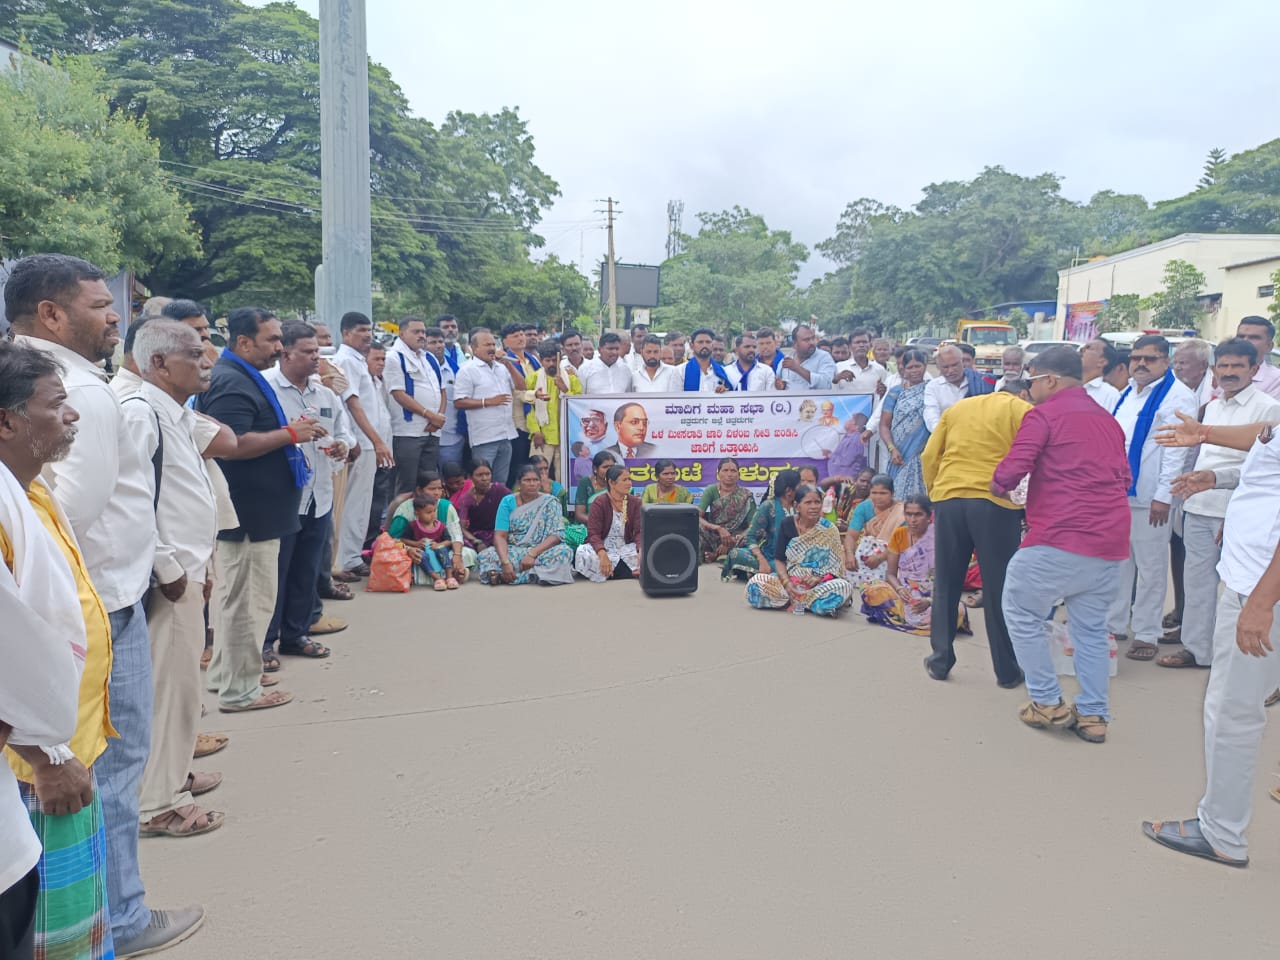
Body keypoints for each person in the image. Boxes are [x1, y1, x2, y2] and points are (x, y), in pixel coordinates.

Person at [6, 255, 204, 954]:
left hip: (89, 607)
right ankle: (118, 916)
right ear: (52, 314)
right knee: (103, 775)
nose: (116, 314)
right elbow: (69, 517)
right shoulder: (77, 392)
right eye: (100, 305)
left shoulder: (53, 379)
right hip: (96, 610)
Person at [0, 342, 115, 960]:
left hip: (59, 749)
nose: (72, 417)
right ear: (6, 419)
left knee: (66, 926)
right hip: (34, 767)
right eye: (57, 405)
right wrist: (45, 755)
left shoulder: (27, 487)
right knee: (46, 934)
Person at [1142, 408, 1280, 865]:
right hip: (1255, 580)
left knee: (1233, 712)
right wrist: (1216, 474)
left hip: (1260, 588)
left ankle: (1222, 833)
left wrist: (1260, 603)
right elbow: (1266, 457)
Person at [992, 346, 1132, 743]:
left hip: (1058, 536)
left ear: (1049, 379)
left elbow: (1015, 466)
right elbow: (1124, 478)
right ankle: (1093, 716)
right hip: (1108, 541)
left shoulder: (1044, 415)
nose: (1030, 389)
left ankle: (1047, 701)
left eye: (1032, 380)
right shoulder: (1108, 420)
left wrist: (995, 483)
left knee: (1020, 612)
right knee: (1090, 630)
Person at [122, 323, 226, 839]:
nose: (206, 361)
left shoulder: (176, 413)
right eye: (193, 354)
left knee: (183, 688)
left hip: (187, 571)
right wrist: (171, 569)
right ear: (159, 364)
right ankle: (159, 803)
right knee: (171, 690)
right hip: (169, 580)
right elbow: (132, 501)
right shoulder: (142, 414)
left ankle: (171, 777)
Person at [196, 306, 313, 715]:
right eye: (272, 340)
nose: (279, 348)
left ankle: (228, 675)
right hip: (251, 516)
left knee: (237, 601)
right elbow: (231, 445)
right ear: (244, 342)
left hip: (254, 513)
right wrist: (290, 434)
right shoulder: (231, 382)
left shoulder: (237, 376)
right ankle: (240, 691)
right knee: (248, 604)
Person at [1156, 339, 1280, 669]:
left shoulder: (1268, 409)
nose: (1228, 372)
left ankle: (1242, 655)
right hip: (1199, 506)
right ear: (1214, 370)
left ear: (1254, 370)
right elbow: (1198, 451)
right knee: (1197, 584)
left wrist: (1215, 476)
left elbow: (1261, 472)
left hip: (1237, 513)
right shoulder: (1211, 406)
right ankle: (1198, 651)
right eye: (1223, 366)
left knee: (1240, 587)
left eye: (1237, 366)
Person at [920, 385, 1032, 686]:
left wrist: (936, 492)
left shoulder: (957, 409)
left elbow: (930, 455)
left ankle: (940, 660)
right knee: (998, 587)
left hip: (949, 496)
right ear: (1021, 393)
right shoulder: (1022, 410)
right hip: (995, 502)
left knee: (946, 582)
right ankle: (1007, 671)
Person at [262, 322, 353, 670]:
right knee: (277, 572)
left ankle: (296, 634)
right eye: (309, 352)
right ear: (285, 353)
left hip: (319, 495)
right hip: (283, 496)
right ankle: (266, 642)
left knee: (306, 568)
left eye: (318, 352)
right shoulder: (268, 390)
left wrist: (342, 447)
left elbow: (345, 436)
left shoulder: (324, 395)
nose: (317, 358)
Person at [1107, 334, 1199, 661]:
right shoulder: (1129, 393)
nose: (1141, 364)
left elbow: (1177, 451)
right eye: (1136, 358)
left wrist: (1164, 495)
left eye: (1150, 358)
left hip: (1151, 496)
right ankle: (1115, 622)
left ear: (1166, 362)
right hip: (1119, 492)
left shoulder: (1178, 396)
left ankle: (1147, 632)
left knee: (1151, 567)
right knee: (1117, 562)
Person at [332, 312, 393, 580]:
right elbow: (353, 404)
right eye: (360, 330)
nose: (367, 335)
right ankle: (344, 560)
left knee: (363, 502)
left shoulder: (358, 361)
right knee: (352, 503)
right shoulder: (345, 360)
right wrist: (376, 441)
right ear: (346, 333)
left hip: (370, 442)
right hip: (360, 442)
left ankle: (353, 556)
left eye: (369, 330)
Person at [1163, 338, 1216, 640]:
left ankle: (1197, 627)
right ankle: (1183, 612)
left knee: (1201, 564)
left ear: (1203, 367)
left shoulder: (1212, 396)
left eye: (1183, 362)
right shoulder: (1177, 391)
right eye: (1176, 361)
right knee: (1179, 550)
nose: (1177, 366)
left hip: (1208, 485)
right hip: (1181, 481)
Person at [860, 495, 967, 636]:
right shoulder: (899, 535)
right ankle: (915, 619)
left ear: (930, 515)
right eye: (908, 514)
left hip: (933, 593)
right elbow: (890, 574)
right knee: (870, 590)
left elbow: (949, 579)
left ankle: (904, 617)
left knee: (956, 610)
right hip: (905, 591)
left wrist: (929, 600)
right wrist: (899, 589)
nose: (912, 520)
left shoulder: (940, 537)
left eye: (918, 515)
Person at [746, 483, 852, 616]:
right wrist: (787, 583)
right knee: (756, 583)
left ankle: (796, 601)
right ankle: (807, 603)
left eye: (817, 502)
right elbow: (779, 559)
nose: (813, 507)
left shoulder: (829, 529)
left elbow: (837, 568)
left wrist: (818, 578)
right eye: (808, 502)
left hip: (819, 584)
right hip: (790, 581)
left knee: (843, 587)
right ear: (797, 506)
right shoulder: (787, 524)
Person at [477, 463, 574, 585]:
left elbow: (556, 536)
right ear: (519, 484)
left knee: (564, 551)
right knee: (487, 555)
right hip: (515, 549)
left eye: (535, 480)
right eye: (527, 480)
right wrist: (505, 562)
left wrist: (532, 554)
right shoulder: (507, 501)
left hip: (541, 550)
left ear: (540, 483)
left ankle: (509, 576)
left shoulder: (550, 502)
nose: (532, 484)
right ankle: (535, 574)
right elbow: (500, 535)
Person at [454, 328, 524, 487]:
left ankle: (498, 511)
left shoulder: (501, 368)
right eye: (487, 344)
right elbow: (459, 402)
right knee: (483, 484)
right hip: (484, 437)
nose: (492, 348)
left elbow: (521, 386)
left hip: (506, 435)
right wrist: (488, 402)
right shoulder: (467, 370)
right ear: (474, 347)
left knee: (501, 483)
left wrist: (508, 364)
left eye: (493, 344)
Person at [384, 317, 445, 494]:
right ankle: (400, 521)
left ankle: (423, 521)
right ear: (402, 334)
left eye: (423, 332)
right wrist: (429, 414)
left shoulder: (429, 358)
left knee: (428, 483)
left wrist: (438, 417)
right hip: (407, 432)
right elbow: (398, 394)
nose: (421, 335)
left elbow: (441, 390)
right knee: (406, 484)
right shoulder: (393, 358)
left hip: (433, 430)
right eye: (416, 332)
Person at [385, 470, 476, 585]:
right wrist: (409, 550)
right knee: (408, 559)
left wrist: (457, 556)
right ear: (419, 490)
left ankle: (449, 575)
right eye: (432, 489)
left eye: (440, 488)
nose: (437, 493)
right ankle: (451, 576)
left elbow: (456, 535)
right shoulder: (405, 509)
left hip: (441, 550)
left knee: (467, 554)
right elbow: (392, 540)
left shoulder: (446, 506)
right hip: (415, 551)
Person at [723, 469, 801, 581]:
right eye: (799, 486)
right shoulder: (768, 506)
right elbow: (750, 537)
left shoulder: (800, 505)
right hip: (773, 556)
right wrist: (762, 560)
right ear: (789, 490)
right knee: (735, 554)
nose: (802, 489)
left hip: (799, 556)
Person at [574, 464, 643, 581]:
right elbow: (593, 533)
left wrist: (641, 552)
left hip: (626, 547)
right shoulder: (600, 502)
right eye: (625, 480)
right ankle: (623, 571)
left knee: (648, 554)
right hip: (602, 546)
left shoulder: (635, 502)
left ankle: (613, 571)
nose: (629, 483)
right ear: (611, 483)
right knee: (583, 553)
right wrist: (602, 554)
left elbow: (639, 532)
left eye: (630, 479)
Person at [880, 348, 931, 499]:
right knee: (898, 497)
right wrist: (892, 448)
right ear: (903, 369)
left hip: (924, 453)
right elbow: (884, 425)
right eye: (910, 367)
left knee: (922, 499)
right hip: (899, 454)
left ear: (925, 366)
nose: (914, 371)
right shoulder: (895, 392)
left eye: (918, 366)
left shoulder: (932, 389)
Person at [361, 342, 397, 555]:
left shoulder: (379, 383)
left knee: (378, 502)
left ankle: (371, 543)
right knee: (367, 503)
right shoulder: (361, 385)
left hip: (384, 451)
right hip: (367, 451)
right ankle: (363, 546)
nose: (381, 363)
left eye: (383, 359)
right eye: (376, 359)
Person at [526, 340, 581, 474]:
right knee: (537, 474)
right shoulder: (533, 378)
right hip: (542, 436)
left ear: (559, 360)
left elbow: (579, 405)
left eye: (553, 360)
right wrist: (536, 432)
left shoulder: (571, 379)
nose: (551, 364)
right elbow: (528, 407)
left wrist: (564, 388)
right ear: (540, 360)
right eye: (547, 360)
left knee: (563, 475)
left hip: (566, 436)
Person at [843, 473, 905, 587]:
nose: (878, 497)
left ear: (892, 494)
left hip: (893, 554)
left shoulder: (901, 512)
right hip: (868, 553)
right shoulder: (863, 507)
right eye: (874, 493)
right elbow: (851, 536)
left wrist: (879, 558)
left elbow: (901, 542)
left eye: (883, 493)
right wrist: (850, 554)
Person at [500, 322, 541, 485]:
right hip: (518, 421)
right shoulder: (503, 362)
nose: (521, 338)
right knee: (518, 465)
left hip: (537, 420)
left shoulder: (533, 360)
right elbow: (518, 390)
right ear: (505, 342)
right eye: (515, 336)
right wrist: (535, 395)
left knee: (534, 465)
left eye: (522, 334)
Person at [697, 457, 757, 563]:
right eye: (725, 470)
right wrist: (718, 528)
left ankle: (717, 554)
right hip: (714, 534)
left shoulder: (746, 495)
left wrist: (732, 539)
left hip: (735, 537)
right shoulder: (711, 490)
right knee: (695, 526)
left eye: (733, 471)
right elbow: (698, 516)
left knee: (758, 533)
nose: (729, 474)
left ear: (738, 474)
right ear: (719, 473)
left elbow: (753, 525)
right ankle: (716, 554)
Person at [424, 325, 465, 477]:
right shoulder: (421, 369)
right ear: (424, 345)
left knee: (451, 479)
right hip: (425, 435)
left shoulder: (456, 370)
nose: (438, 346)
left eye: (440, 342)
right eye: (432, 342)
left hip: (451, 438)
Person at [924, 345, 985, 432]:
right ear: (939, 368)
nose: (951, 370)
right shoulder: (933, 387)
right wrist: (942, 433)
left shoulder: (979, 382)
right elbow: (931, 414)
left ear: (961, 362)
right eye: (945, 367)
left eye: (954, 365)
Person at [454, 461, 511, 552]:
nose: (484, 478)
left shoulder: (500, 490)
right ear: (470, 477)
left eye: (487, 474)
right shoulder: (466, 499)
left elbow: (515, 507)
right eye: (479, 475)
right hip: (478, 536)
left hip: (500, 533)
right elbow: (462, 528)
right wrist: (476, 541)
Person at [1234, 315, 1280, 399]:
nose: (1244, 342)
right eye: (1241, 336)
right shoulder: (1218, 372)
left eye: (1254, 337)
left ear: (1269, 346)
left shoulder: (1276, 380)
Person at [777, 324, 835, 391]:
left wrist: (798, 368)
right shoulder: (786, 360)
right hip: (790, 401)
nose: (812, 342)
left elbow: (826, 385)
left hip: (816, 401)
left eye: (813, 338)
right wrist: (781, 385)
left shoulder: (824, 357)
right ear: (794, 344)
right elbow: (779, 385)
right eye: (806, 340)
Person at [833, 328, 887, 394]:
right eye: (857, 342)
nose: (861, 345)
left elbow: (883, 396)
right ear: (850, 346)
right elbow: (831, 393)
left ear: (870, 345)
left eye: (865, 342)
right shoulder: (839, 367)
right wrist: (836, 379)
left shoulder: (880, 369)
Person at [682, 328, 731, 393]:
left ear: (712, 345)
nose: (704, 345)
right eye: (700, 342)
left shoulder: (722, 371)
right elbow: (675, 398)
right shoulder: (681, 371)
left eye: (708, 342)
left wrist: (724, 391)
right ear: (692, 346)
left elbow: (728, 396)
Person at [574, 450, 619, 522]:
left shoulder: (619, 483)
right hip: (590, 526)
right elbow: (579, 515)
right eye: (605, 467)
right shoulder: (585, 483)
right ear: (595, 469)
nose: (610, 470)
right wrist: (597, 523)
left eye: (612, 466)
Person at [1079, 338, 1122, 411]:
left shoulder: (1110, 395)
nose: (1081, 350)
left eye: (1088, 348)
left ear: (1102, 362)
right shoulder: (1066, 386)